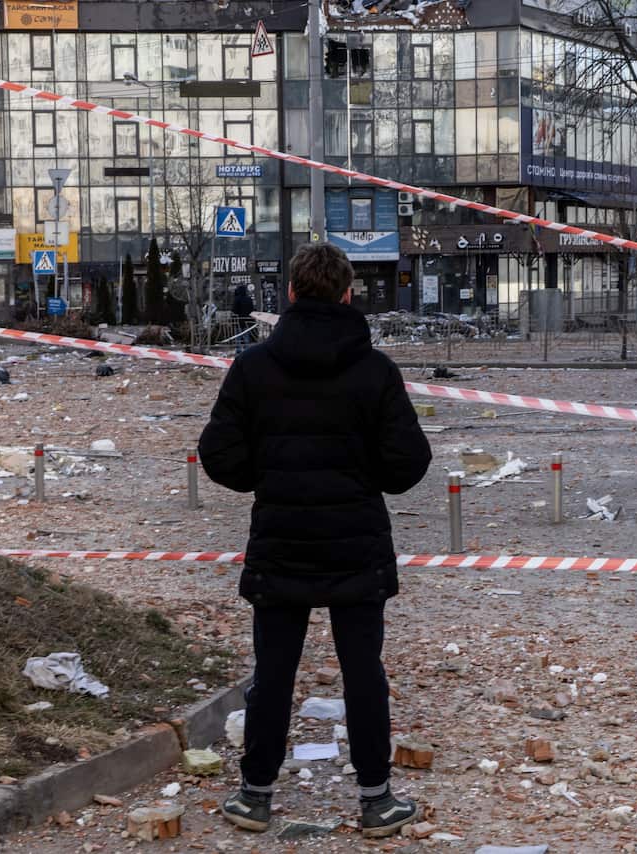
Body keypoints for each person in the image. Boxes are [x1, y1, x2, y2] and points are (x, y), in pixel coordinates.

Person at [199, 243, 432, 839]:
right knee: (363, 673)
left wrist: (266, 476)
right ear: (349, 294)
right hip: (356, 543)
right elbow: (409, 463)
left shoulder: (253, 366)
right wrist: (362, 477)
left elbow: (218, 454)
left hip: (281, 540)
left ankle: (255, 796)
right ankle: (376, 801)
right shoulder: (375, 370)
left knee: (273, 672)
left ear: (292, 295)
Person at [230, 283, 255, 352]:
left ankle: (238, 349)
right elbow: (252, 309)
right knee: (246, 335)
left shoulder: (237, 299)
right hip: (247, 320)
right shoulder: (249, 299)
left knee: (238, 336)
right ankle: (246, 349)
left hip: (238, 320)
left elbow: (234, 310)